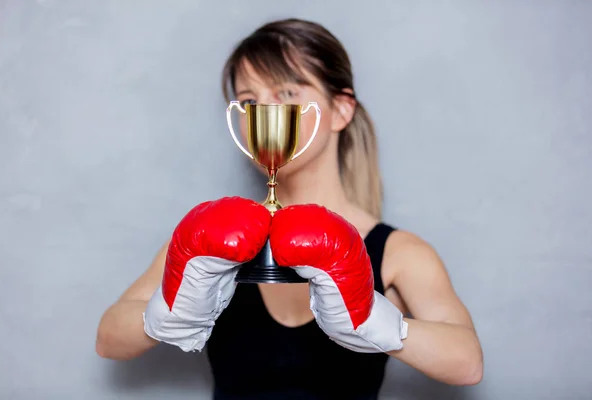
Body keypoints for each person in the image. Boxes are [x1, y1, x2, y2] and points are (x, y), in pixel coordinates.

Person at [96, 17, 483, 399]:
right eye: (249, 100)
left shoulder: (397, 253)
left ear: (341, 110)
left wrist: (379, 325)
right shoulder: (212, 239)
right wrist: (164, 316)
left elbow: (468, 363)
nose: (265, 111)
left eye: (286, 94)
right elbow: (108, 339)